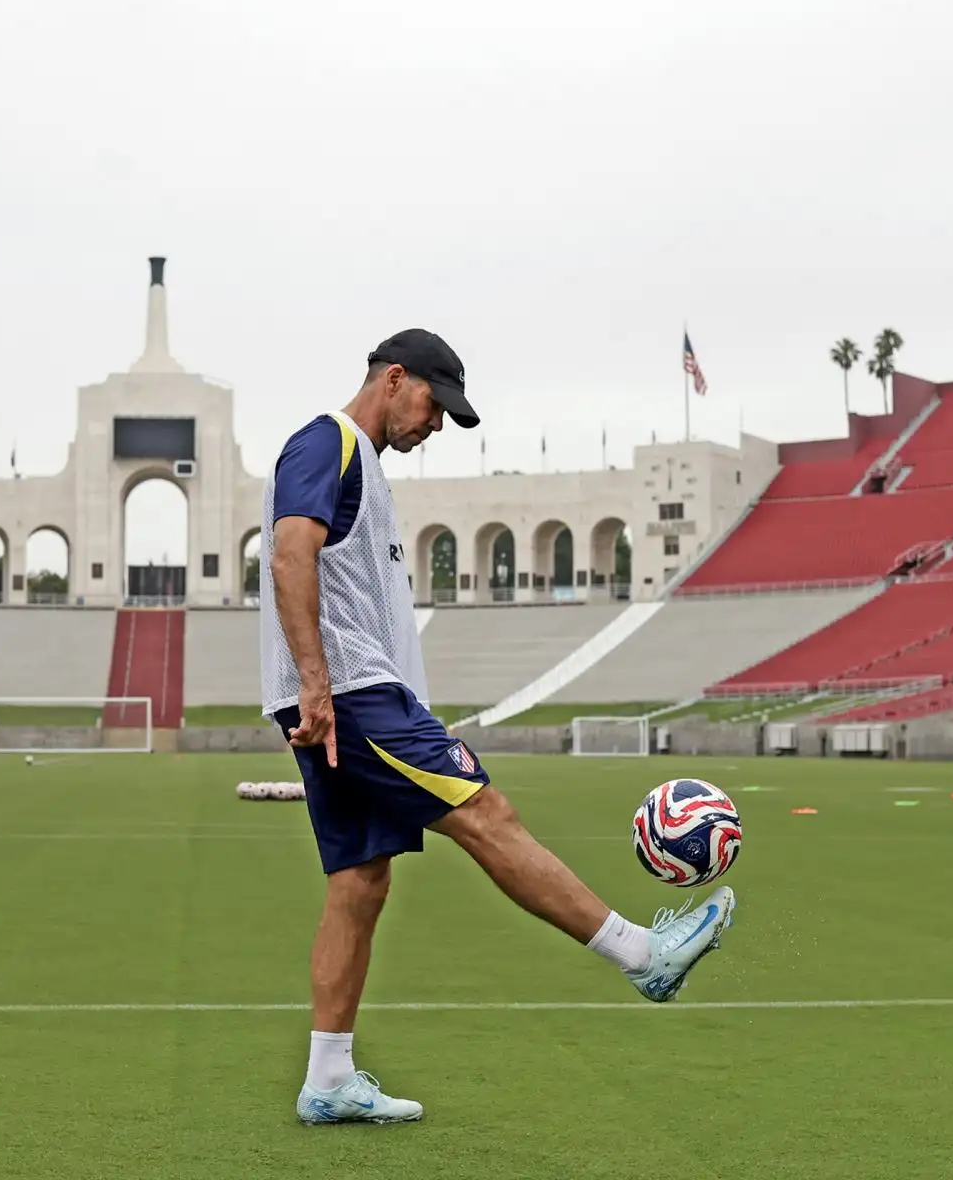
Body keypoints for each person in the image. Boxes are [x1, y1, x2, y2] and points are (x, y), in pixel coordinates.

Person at [260, 329, 735, 1126]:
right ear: (394, 379)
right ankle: (644, 956)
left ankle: (328, 1077)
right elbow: (289, 553)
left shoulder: (365, 468)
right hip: (351, 694)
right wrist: (316, 682)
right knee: (487, 813)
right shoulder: (327, 442)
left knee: (361, 882)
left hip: (349, 692)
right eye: (433, 406)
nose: (436, 425)